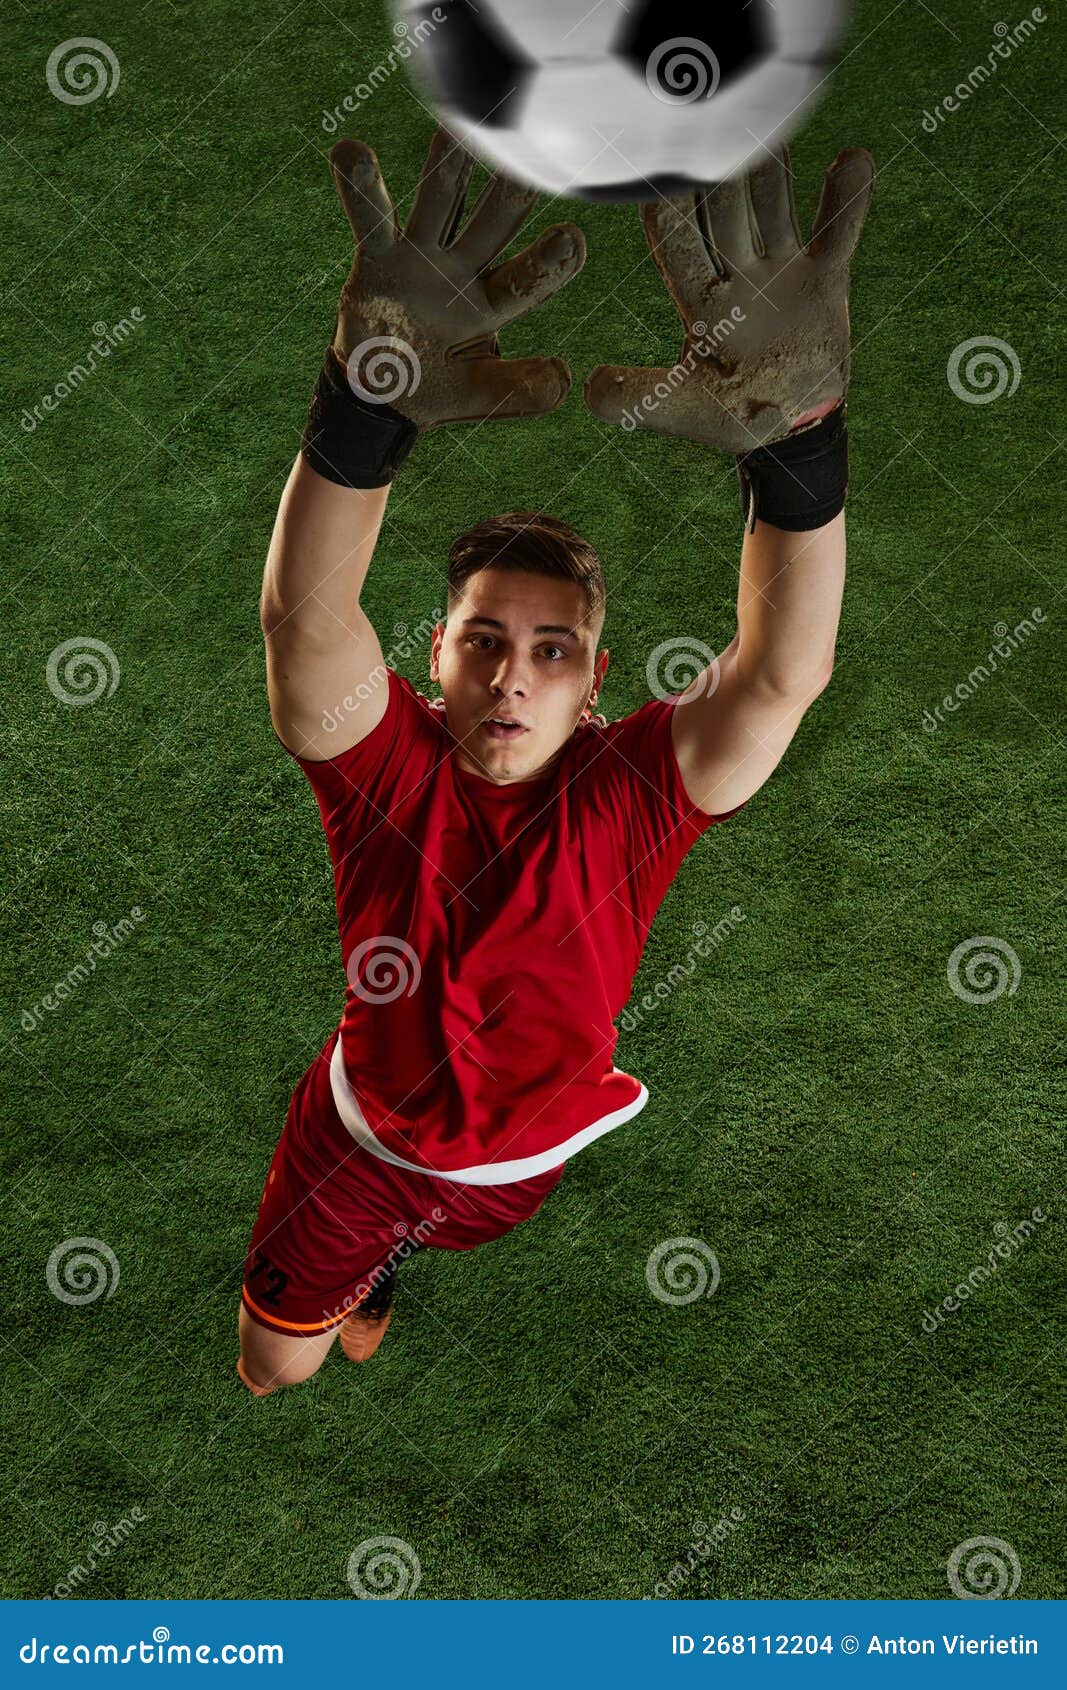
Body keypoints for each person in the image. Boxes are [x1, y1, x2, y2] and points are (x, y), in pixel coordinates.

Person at [237, 126, 875, 1395]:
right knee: (275, 1369)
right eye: (484, 641)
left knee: (388, 1276)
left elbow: (780, 672)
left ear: (594, 679)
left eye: (551, 648)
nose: (513, 673)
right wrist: (367, 393)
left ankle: (399, 1251)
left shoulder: (635, 793)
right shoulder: (387, 773)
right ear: (437, 657)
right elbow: (305, 623)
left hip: (514, 1167)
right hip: (354, 1140)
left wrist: (797, 436)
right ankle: (367, 1263)